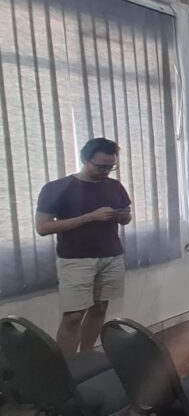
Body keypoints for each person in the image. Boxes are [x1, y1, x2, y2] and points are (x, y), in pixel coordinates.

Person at [35, 138, 132, 353]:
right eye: (100, 166)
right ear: (85, 160)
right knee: (73, 316)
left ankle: (87, 356)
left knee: (100, 308)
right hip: (75, 259)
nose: (106, 171)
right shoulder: (56, 188)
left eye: (111, 166)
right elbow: (42, 228)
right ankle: (67, 369)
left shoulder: (115, 186)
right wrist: (89, 217)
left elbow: (125, 219)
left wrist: (123, 216)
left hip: (111, 255)